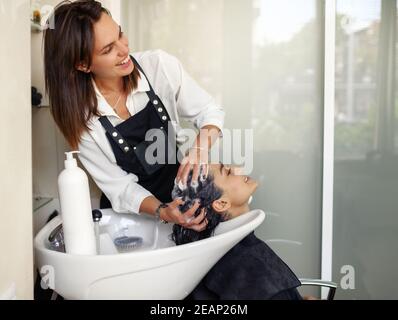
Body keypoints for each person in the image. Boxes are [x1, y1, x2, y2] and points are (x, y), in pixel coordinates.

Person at [43, 0, 224, 231]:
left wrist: (200, 148)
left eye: (120, 34)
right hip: (129, 221)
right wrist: (162, 211)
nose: (124, 49)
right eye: (108, 50)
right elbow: (120, 188)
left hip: (180, 201)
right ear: (83, 64)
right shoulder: (81, 120)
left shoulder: (158, 66)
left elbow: (210, 110)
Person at [171, 164, 304, 300]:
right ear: (221, 203)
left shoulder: (207, 256)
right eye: (227, 172)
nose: (236, 168)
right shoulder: (253, 265)